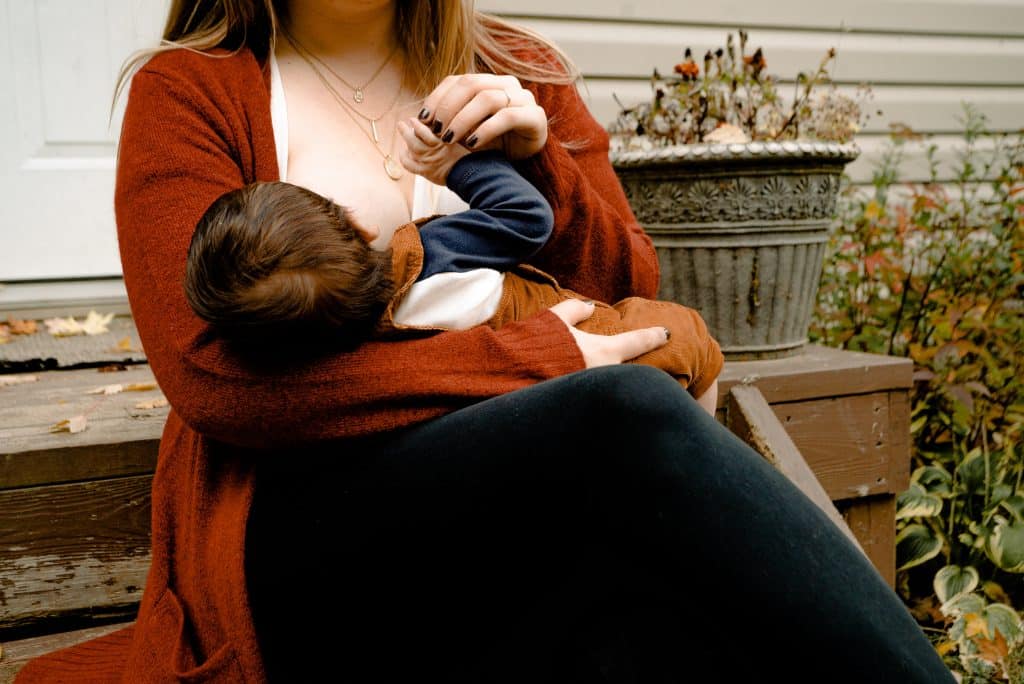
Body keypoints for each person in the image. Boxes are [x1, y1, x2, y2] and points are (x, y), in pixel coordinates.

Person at [15, 1, 956, 683]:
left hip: (517, 513)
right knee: (618, 409)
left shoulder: (521, 67)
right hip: (305, 527)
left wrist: (536, 156)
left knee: (641, 637)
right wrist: (537, 359)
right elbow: (214, 378)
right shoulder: (191, 90)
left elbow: (625, 291)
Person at [183, 142, 723, 412]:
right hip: (606, 340)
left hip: (545, 404)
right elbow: (527, 217)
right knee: (693, 340)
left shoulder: (357, 349)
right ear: (354, 221)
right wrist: (455, 165)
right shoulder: (429, 254)